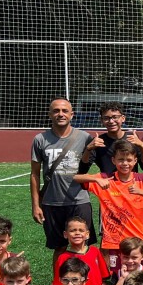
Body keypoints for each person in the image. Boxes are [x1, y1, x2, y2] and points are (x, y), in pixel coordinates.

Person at [74, 139, 143, 274]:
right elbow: (76, 178)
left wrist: (141, 192)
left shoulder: (141, 179)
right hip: (114, 242)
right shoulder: (105, 178)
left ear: (135, 161)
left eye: (128, 160)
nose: (125, 163)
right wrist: (96, 179)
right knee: (118, 276)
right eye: (121, 160)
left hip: (139, 239)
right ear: (113, 160)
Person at [30, 97, 96, 256]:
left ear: (72, 114)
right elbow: (34, 174)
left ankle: (88, 281)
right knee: (59, 247)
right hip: (52, 203)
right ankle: (58, 281)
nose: (60, 114)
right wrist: (35, 205)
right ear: (49, 114)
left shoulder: (85, 137)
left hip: (79, 201)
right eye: (56, 111)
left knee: (83, 246)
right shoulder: (40, 139)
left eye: (65, 111)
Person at [51, 215, 109, 285]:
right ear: (65, 234)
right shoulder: (63, 258)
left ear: (87, 234)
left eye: (81, 230)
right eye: (73, 230)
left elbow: (104, 277)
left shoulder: (95, 251)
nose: (77, 233)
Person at [81, 102, 143, 176]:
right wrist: (88, 149)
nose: (111, 121)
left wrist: (142, 146)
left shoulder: (132, 139)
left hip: (130, 185)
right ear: (101, 120)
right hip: (108, 185)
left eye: (115, 117)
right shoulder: (98, 142)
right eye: (106, 118)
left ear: (123, 118)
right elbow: (83, 169)